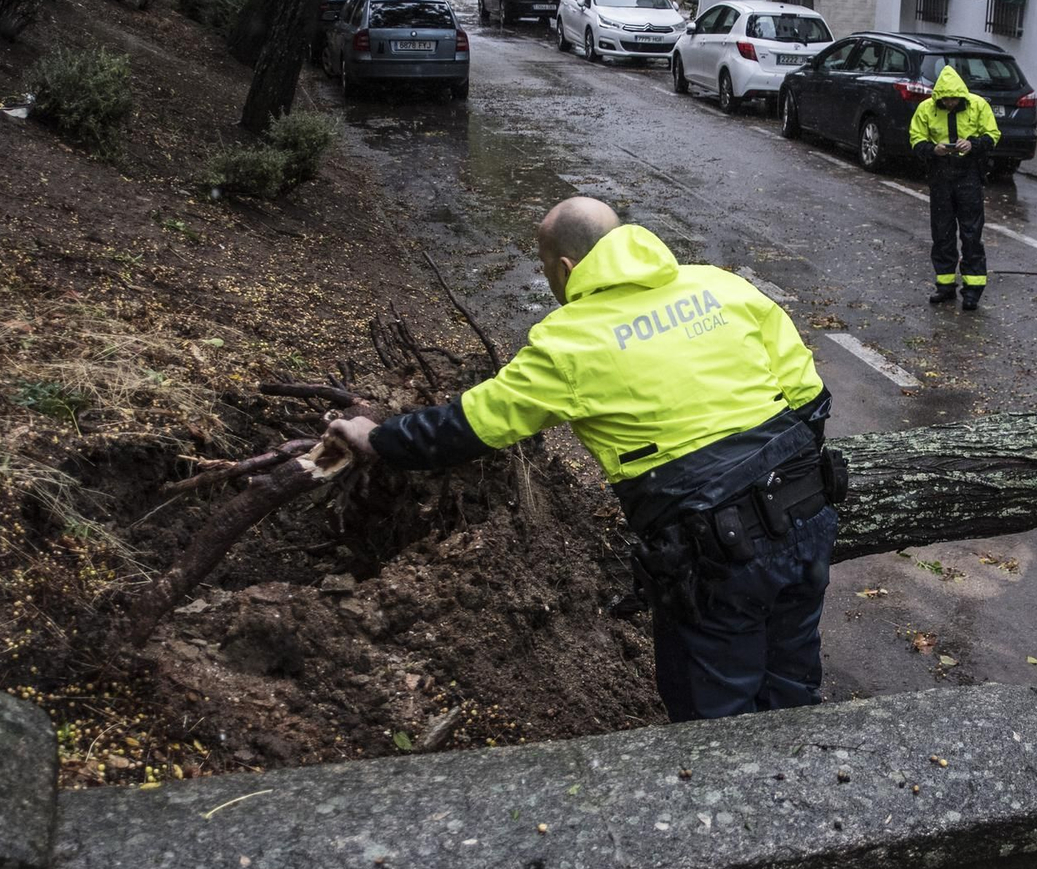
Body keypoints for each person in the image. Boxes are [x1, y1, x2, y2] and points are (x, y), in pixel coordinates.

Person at [326, 197, 844, 723]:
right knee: (792, 685)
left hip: (714, 554)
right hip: (806, 511)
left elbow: (471, 425)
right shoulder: (719, 285)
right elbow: (809, 395)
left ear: (566, 267)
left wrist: (380, 438)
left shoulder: (569, 341)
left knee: (716, 719)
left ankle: (730, 802)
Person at [909, 64, 1000, 311]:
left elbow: (992, 135)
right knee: (942, 232)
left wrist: (973, 145)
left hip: (969, 175)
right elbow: (916, 139)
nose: (949, 103)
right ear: (939, 97)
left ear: (961, 96)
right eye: (945, 99)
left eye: (953, 99)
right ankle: (945, 285)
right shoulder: (926, 109)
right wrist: (933, 150)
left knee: (971, 234)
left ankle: (972, 290)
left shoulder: (977, 105)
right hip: (940, 176)